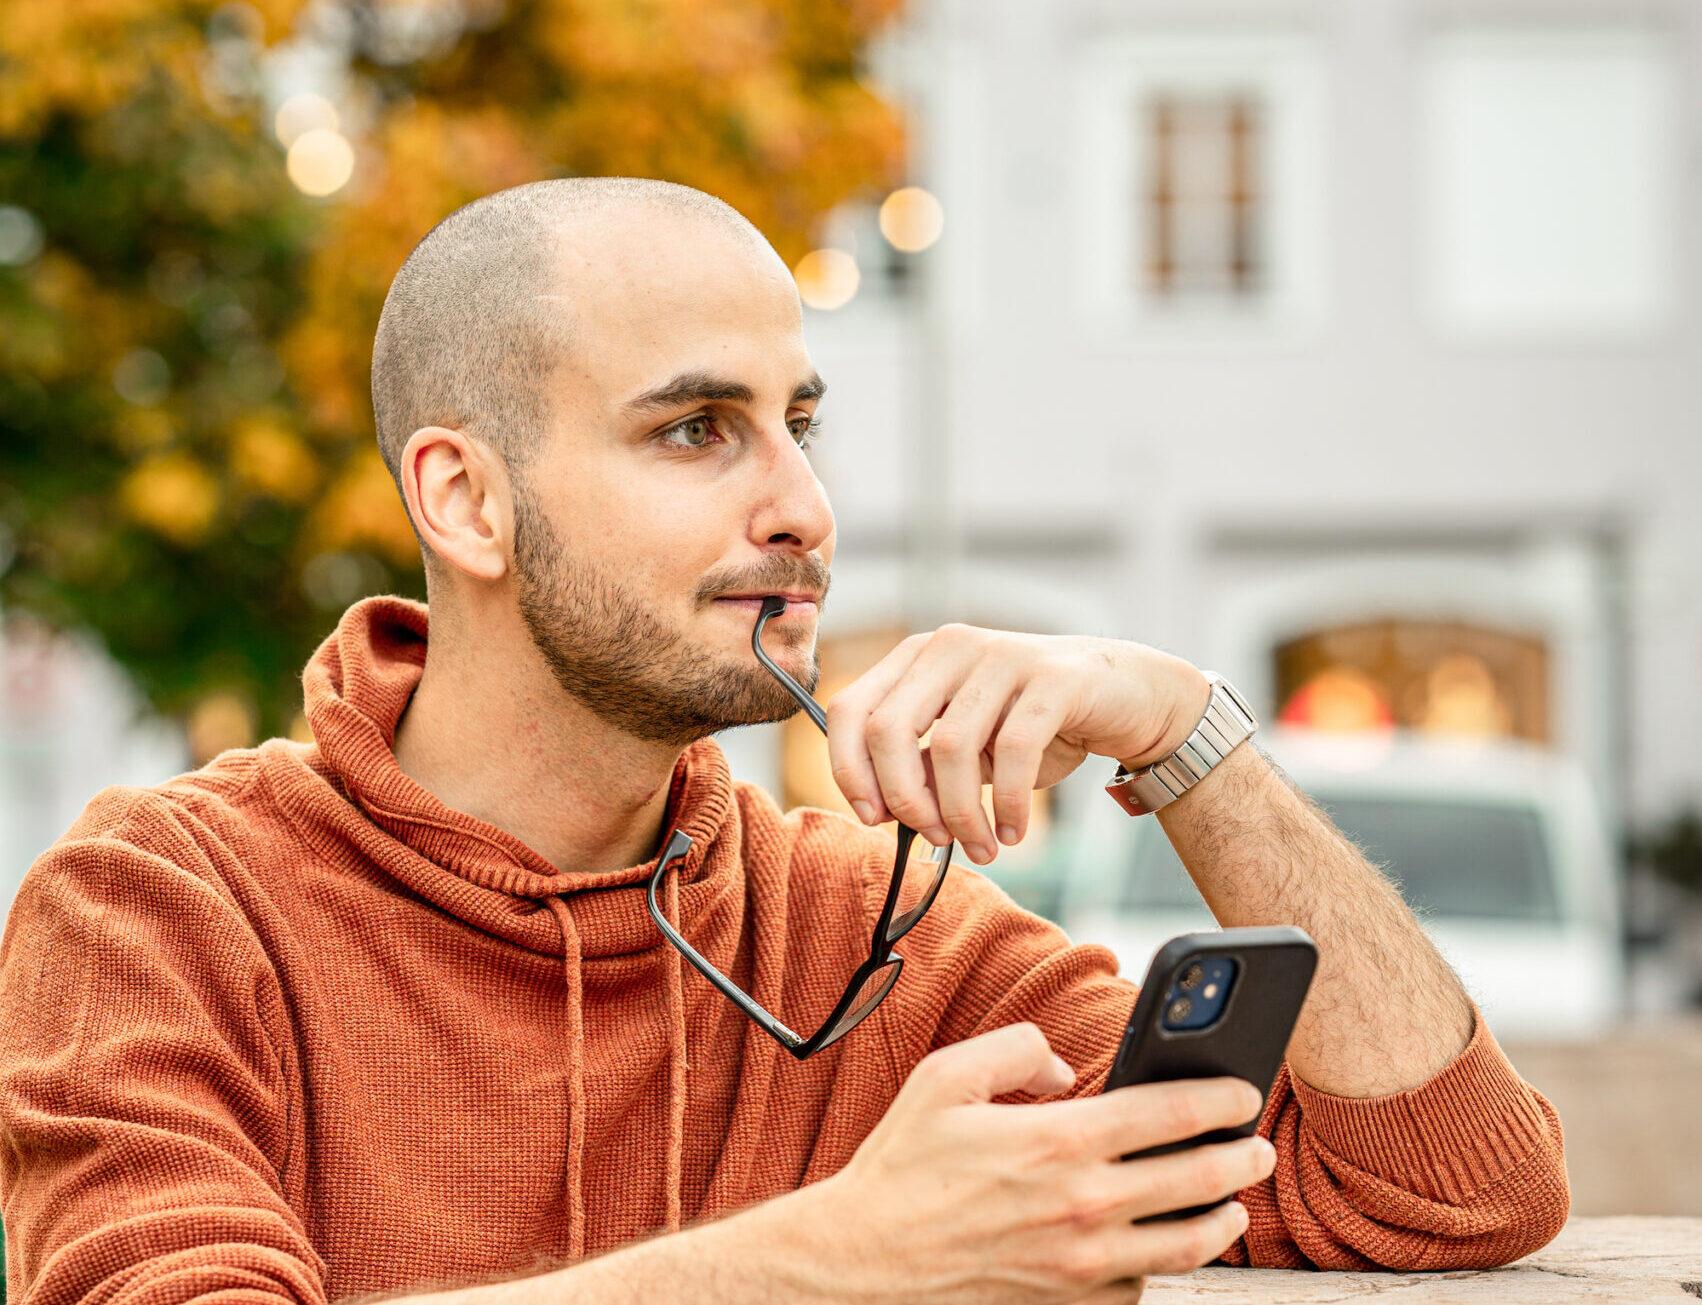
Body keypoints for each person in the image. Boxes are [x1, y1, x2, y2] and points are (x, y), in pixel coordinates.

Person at [0, 178, 1567, 1305]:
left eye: (797, 423)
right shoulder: (157, 904)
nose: (802, 509)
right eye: (695, 429)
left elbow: (1446, 1192)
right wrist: (834, 1260)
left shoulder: (867, 926)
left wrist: (1177, 728)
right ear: (464, 500)